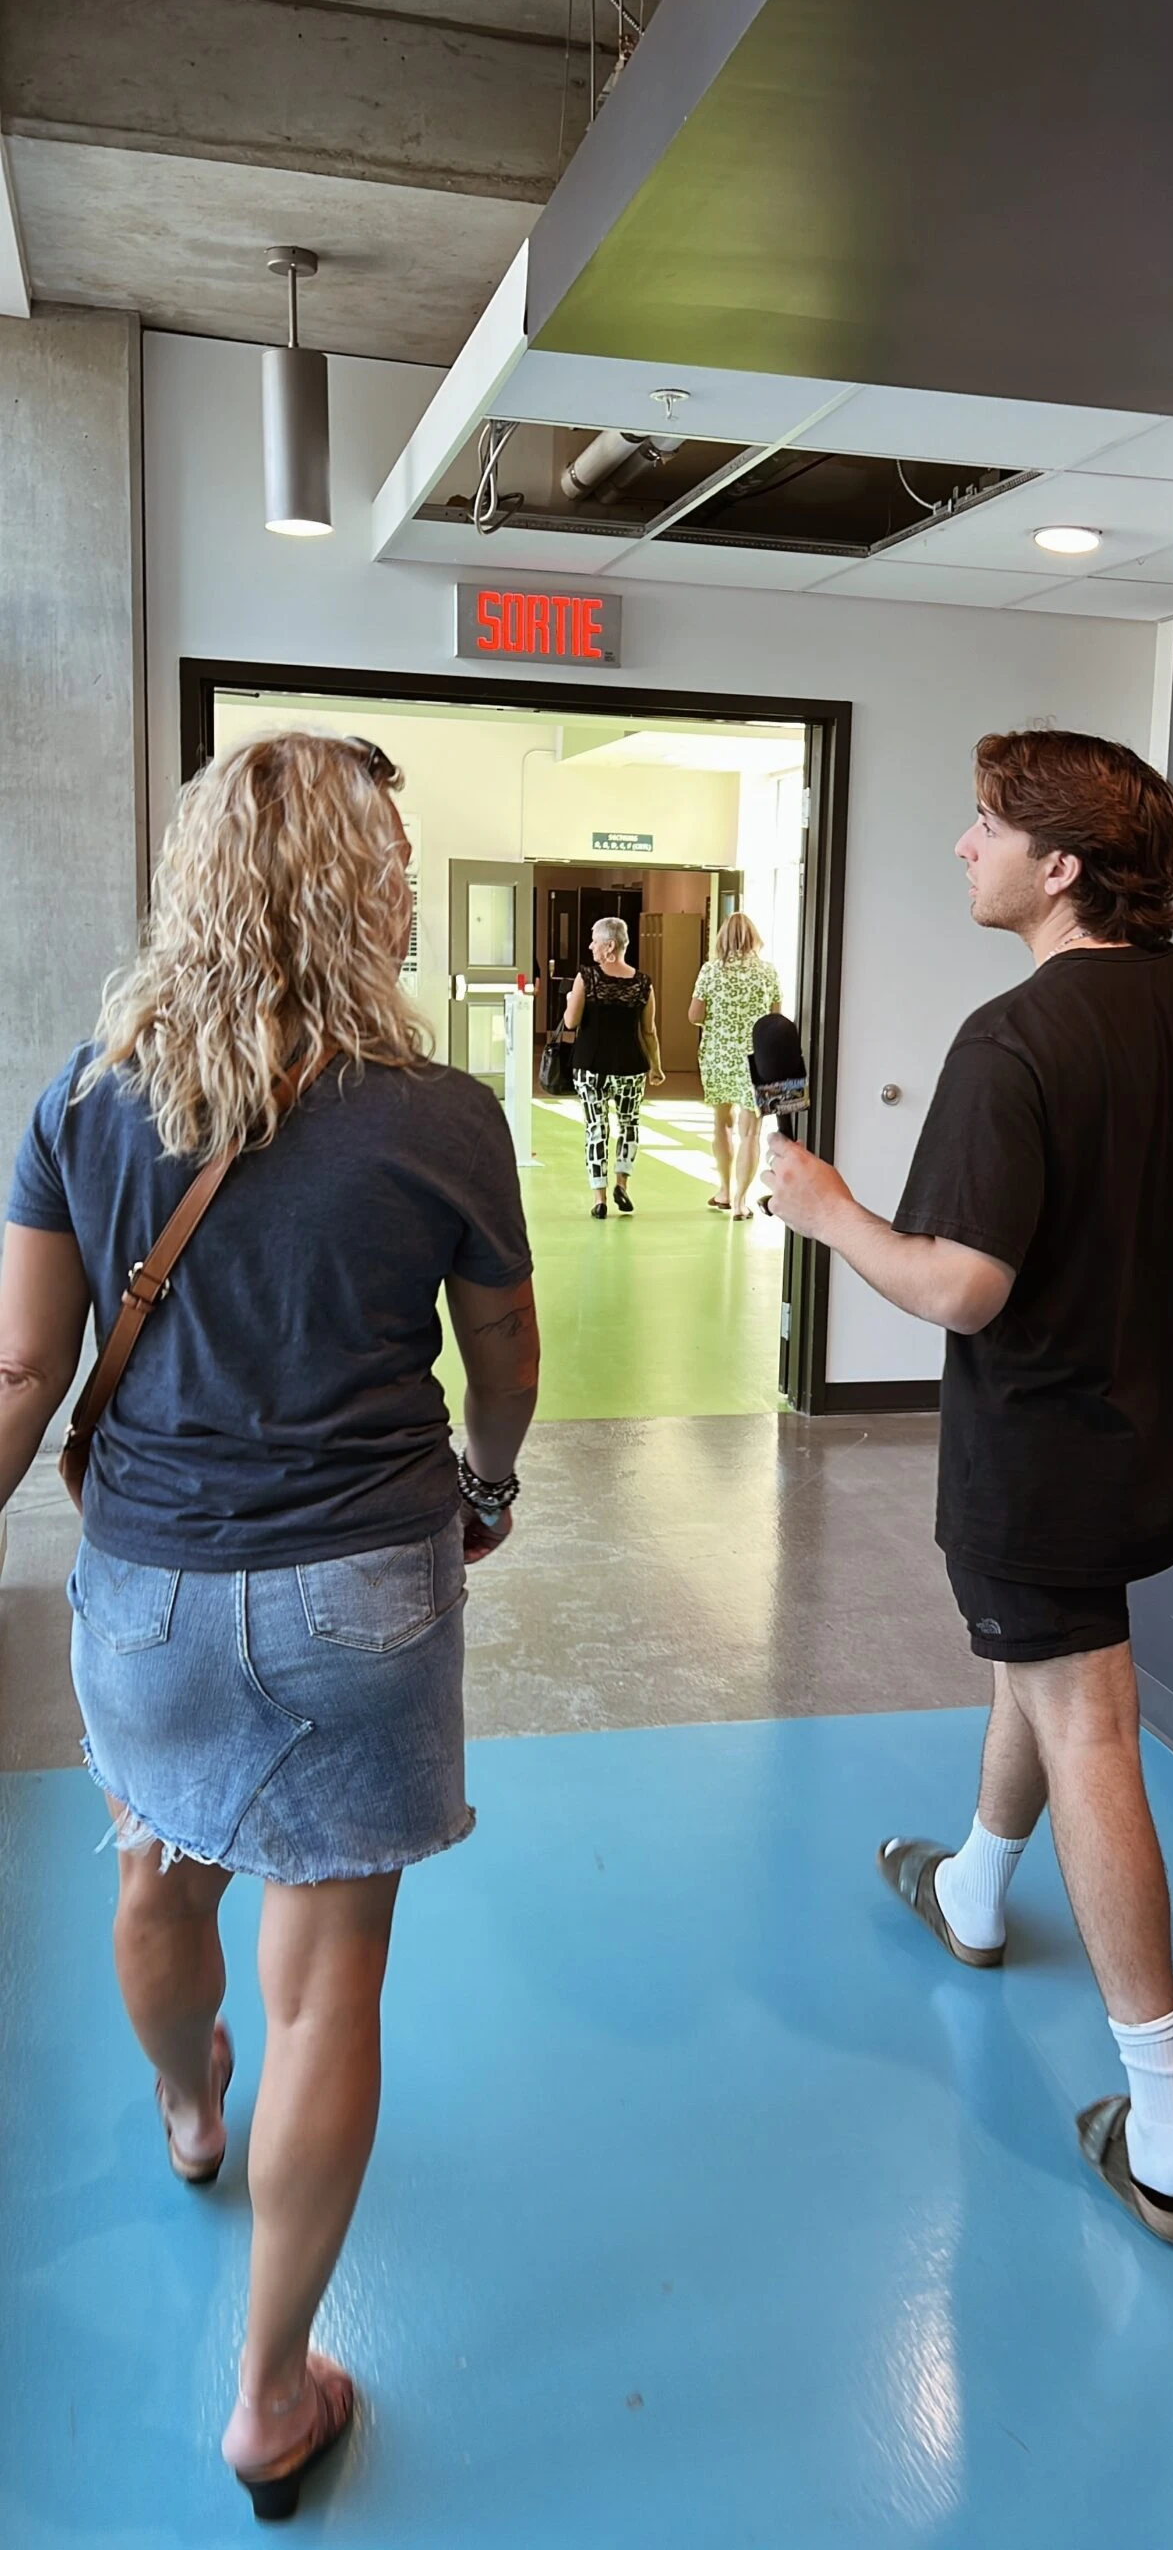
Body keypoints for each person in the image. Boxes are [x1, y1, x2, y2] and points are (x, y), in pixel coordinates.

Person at [0, 731, 539, 2516]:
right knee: (328, 1992)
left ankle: (187, 2112)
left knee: (154, 1872)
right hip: (366, 1588)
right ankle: (267, 2394)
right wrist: (491, 1480)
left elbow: (22, 1370)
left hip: (145, 1588)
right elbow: (508, 1361)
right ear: (360, 882)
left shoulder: (89, 1093)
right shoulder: (442, 1112)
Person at [764, 728, 1173, 2250]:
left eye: (985, 823)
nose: (962, 845)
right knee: (1045, 1667)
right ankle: (980, 1892)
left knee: (1090, 1718)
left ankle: (1170, 2125)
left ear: (1060, 867)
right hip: (1167, 1455)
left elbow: (961, 1288)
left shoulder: (1018, 1042)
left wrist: (826, 1209)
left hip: (1048, 1464)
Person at [562, 915, 664, 1218]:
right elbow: (649, 1030)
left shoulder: (587, 977)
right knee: (629, 1124)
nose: (590, 945)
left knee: (597, 1127)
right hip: (631, 1065)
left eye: (594, 939)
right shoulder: (642, 983)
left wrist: (570, 998)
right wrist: (656, 1066)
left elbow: (571, 1021)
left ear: (609, 945)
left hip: (591, 1065)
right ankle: (622, 1183)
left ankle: (599, 1198)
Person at [688, 912, 782, 1220]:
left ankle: (724, 1191)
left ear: (722, 939)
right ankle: (742, 1201)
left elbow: (694, 1015)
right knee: (751, 1133)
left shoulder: (711, 971)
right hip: (759, 1058)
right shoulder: (768, 972)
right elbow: (775, 1017)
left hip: (718, 1056)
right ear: (754, 938)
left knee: (722, 1124)